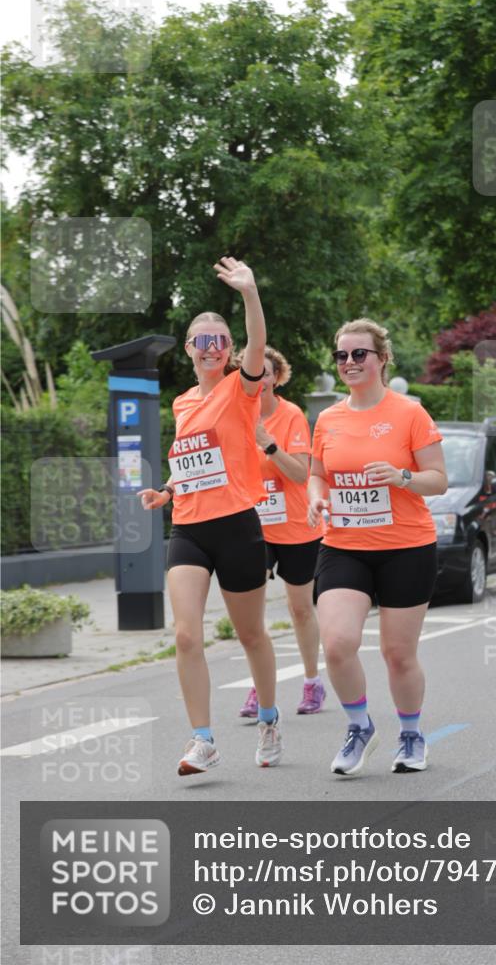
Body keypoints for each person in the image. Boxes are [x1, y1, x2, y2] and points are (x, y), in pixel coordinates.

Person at [138, 256, 283, 775]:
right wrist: (167, 491)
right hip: (190, 528)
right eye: (203, 340)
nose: (212, 347)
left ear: (229, 352)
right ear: (189, 350)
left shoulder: (240, 390)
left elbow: (258, 344)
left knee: (251, 636)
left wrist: (249, 293)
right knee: (185, 634)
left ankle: (268, 718)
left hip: (238, 527)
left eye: (220, 341)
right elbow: (196, 464)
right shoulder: (180, 405)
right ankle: (203, 739)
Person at [307, 318, 447, 776]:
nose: (349, 362)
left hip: (406, 546)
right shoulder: (328, 418)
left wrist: (403, 477)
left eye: (359, 354)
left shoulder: (410, 413)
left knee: (397, 653)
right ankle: (359, 726)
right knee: (338, 644)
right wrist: (315, 499)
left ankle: (410, 734)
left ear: (382, 359)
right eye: (342, 356)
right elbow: (317, 474)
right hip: (344, 545)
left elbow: (439, 480)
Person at [238, 346, 326, 719]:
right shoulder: (236, 414)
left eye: (267, 373)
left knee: (300, 608)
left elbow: (300, 473)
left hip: (294, 525)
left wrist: (267, 443)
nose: (260, 379)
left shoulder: (291, 417)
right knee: (251, 615)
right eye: (253, 373)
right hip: (252, 525)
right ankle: (259, 687)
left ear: (276, 378)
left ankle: (311, 683)